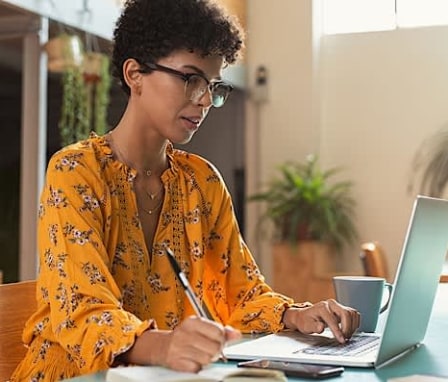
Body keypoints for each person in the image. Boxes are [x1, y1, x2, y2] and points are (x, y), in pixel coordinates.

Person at [11, 0, 360, 380]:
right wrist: (166, 346)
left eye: (212, 86)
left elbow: (241, 293)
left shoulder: (202, 182)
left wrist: (296, 314)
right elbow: (82, 309)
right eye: (191, 79)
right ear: (135, 74)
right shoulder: (75, 172)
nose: (206, 100)